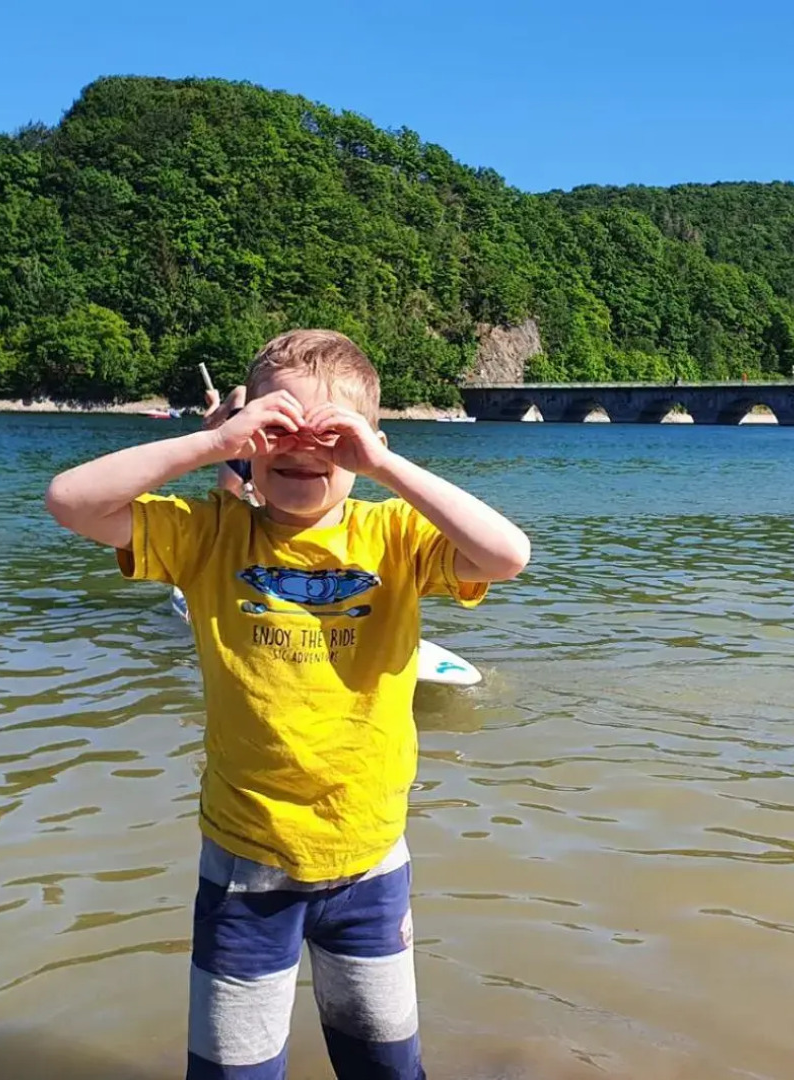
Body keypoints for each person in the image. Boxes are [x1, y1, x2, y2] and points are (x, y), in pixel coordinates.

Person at [44, 329, 530, 1080]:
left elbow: (506, 555)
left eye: (332, 434)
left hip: (369, 860)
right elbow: (70, 501)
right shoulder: (206, 533)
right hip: (246, 865)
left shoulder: (394, 536)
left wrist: (384, 464)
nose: (305, 446)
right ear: (248, 435)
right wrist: (211, 447)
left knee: (386, 1066)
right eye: (279, 425)